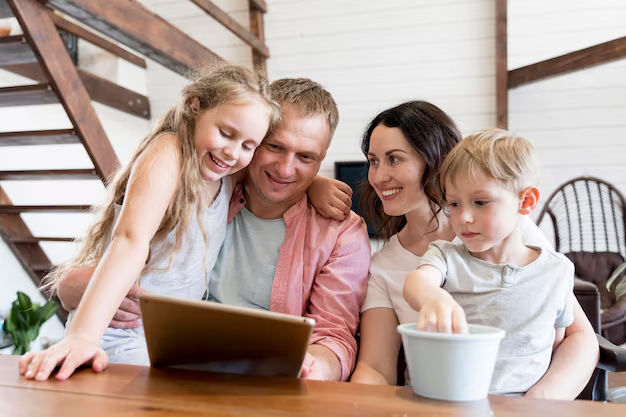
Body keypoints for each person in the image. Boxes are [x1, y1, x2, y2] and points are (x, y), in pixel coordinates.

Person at [49, 78, 371, 382]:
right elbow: (125, 247)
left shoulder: (340, 233)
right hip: (164, 354)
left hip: (260, 377)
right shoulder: (215, 180)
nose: (286, 169)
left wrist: (313, 367)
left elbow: (334, 337)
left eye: (306, 157)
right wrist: (72, 288)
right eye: (274, 147)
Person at [18, 64, 282, 381]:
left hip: (168, 342)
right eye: (226, 133)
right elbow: (130, 240)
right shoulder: (169, 152)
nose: (232, 151)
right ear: (196, 106)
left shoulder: (227, 171)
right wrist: (83, 337)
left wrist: (319, 185)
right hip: (119, 335)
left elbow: (277, 174)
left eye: (248, 145)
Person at [350, 101, 598, 400]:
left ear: (436, 161)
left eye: (394, 159)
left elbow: (577, 336)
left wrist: (541, 399)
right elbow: (376, 367)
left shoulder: (506, 228)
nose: (378, 177)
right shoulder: (385, 265)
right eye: (373, 161)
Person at [403, 128, 577, 395]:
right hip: (443, 400)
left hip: (522, 409)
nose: (464, 218)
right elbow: (417, 282)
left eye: (480, 202)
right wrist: (434, 298)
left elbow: (555, 343)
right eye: (455, 204)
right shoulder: (446, 256)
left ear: (526, 201)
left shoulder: (558, 271)